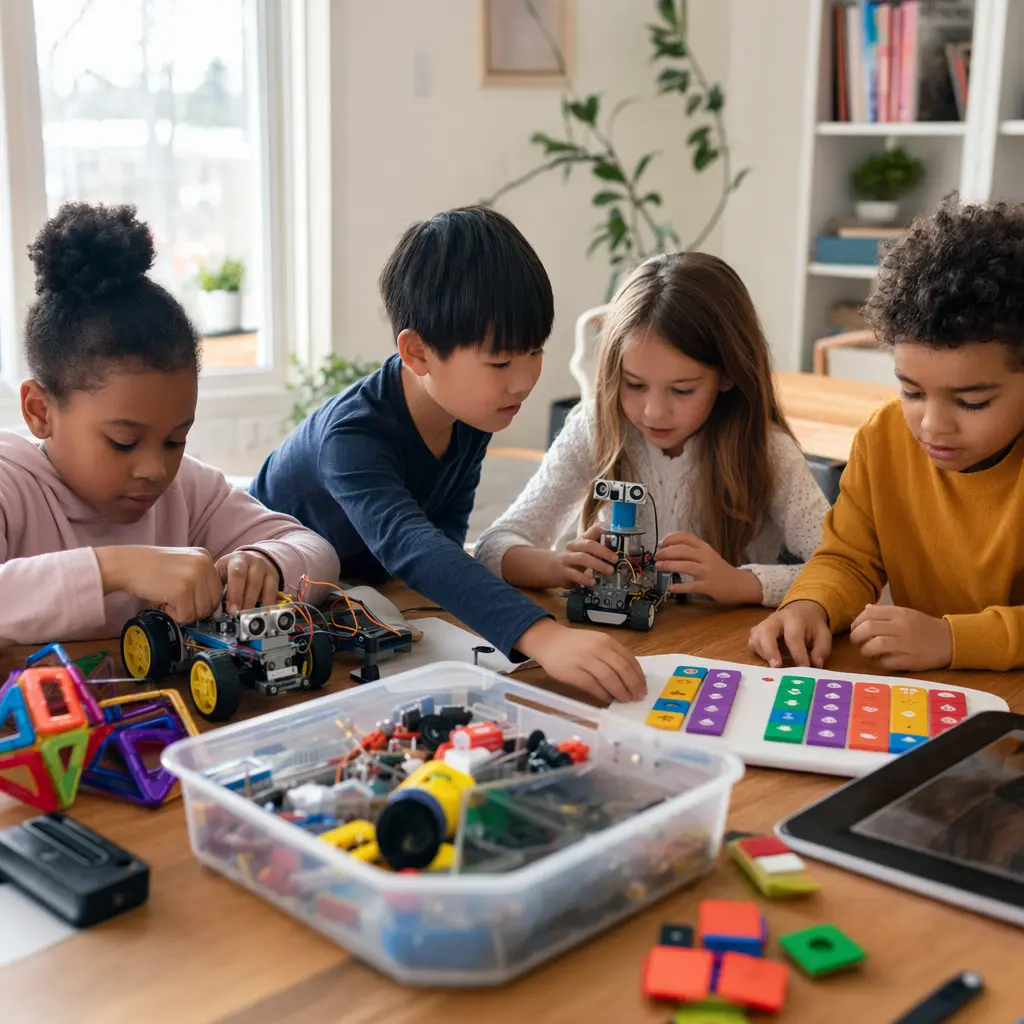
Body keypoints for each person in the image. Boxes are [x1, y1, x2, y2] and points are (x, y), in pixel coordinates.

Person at [250, 207, 646, 703]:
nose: (523, 380)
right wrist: (543, 636)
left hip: (367, 597)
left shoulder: (472, 413)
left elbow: (446, 539)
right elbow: (413, 546)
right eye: (500, 361)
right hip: (272, 597)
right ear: (417, 353)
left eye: (535, 351)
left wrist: (540, 569)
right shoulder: (350, 438)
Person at [0, 202, 339, 648]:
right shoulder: (11, 484)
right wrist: (119, 567)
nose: (155, 469)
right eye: (124, 441)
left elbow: (317, 551)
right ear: (40, 411)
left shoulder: (187, 490)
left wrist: (266, 562)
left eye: (176, 439)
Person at [749, 197, 1024, 673]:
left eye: (971, 401)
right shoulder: (883, 440)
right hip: (935, 690)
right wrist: (809, 603)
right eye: (911, 391)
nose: (932, 425)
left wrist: (954, 639)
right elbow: (849, 559)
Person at [474, 252, 828, 610]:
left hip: (728, 648)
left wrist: (743, 583)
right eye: (635, 385)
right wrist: (559, 565)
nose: (654, 411)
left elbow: (842, 567)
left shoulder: (768, 451)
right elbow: (493, 545)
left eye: (682, 390)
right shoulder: (598, 427)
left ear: (728, 375)